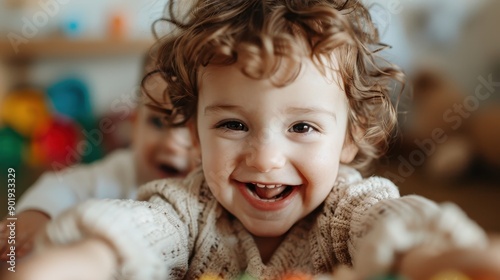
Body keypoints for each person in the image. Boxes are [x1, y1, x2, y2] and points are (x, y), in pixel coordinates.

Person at [6, 1, 500, 279]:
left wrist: (432, 257)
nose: (265, 159)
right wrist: (85, 259)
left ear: (350, 138)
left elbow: (389, 223)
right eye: (233, 125)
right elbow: (138, 230)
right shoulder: (189, 210)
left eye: (302, 127)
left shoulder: (345, 209)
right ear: (194, 133)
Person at [0, 55, 197, 261]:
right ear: (135, 123)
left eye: (193, 129)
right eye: (157, 122)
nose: (172, 142)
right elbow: (64, 185)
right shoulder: (121, 171)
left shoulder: (215, 193)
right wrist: (37, 215)